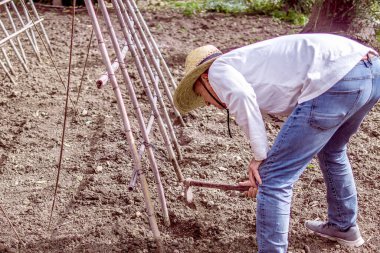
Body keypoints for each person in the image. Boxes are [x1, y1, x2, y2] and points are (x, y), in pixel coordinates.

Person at [173, 33, 380, 253]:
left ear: (204, 79)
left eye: (201, 95)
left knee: (274, 179)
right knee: (332, 151)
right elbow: (298, 123)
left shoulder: (217, 70)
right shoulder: (248, 66)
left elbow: (243, 98)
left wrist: (261, 160)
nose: (206, 103)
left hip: (337, 79)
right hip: (370, 72)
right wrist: (264, 164)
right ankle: (343, 225)